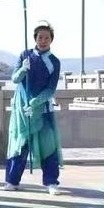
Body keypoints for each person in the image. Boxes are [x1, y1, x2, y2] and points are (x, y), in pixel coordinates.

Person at [4, 21, 63, 195]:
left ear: (51, 40)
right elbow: (15, 79)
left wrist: (35, 103)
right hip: (22, 109)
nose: (43, 41)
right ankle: (12, 180)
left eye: (47, 38)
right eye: (40, 37)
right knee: (21, 144)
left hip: (42, 109)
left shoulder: (54, 62)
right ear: (35, 39)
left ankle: (51, 182)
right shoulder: (25, 55)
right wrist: (23, 69)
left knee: (48, 145)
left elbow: (51, 89)